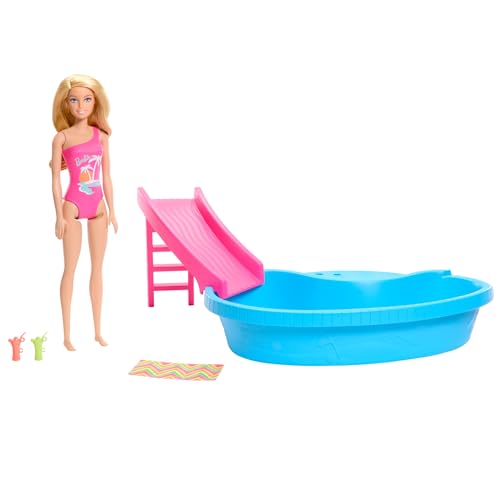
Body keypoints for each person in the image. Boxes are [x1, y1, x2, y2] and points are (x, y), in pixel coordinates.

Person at [50, 74, 118, 351]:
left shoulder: (101, 136)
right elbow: (55, 179)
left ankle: (98, 332)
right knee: (70, 269)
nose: (81, 105)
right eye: (74, 100)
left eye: (87, 99)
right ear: (66, 104)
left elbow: (107, 176)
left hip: (98, 206)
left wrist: (113, 210)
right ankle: (67, 335)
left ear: (95, 102)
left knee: (97, 269)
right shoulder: (61, 138)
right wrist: (58, 214)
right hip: (73, 205)